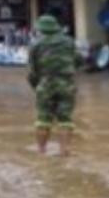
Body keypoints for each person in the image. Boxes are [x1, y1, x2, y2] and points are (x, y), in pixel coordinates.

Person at [27, 15, 78, 155]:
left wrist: (36, 86)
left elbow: (32, 71)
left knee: (43, 118)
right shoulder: (69, 42)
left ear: (41, 29)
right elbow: (79, 61)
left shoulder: (36, 45)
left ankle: (41, 150)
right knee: (65, 118)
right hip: (66, 84)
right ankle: (65, 150)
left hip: (45, 84)